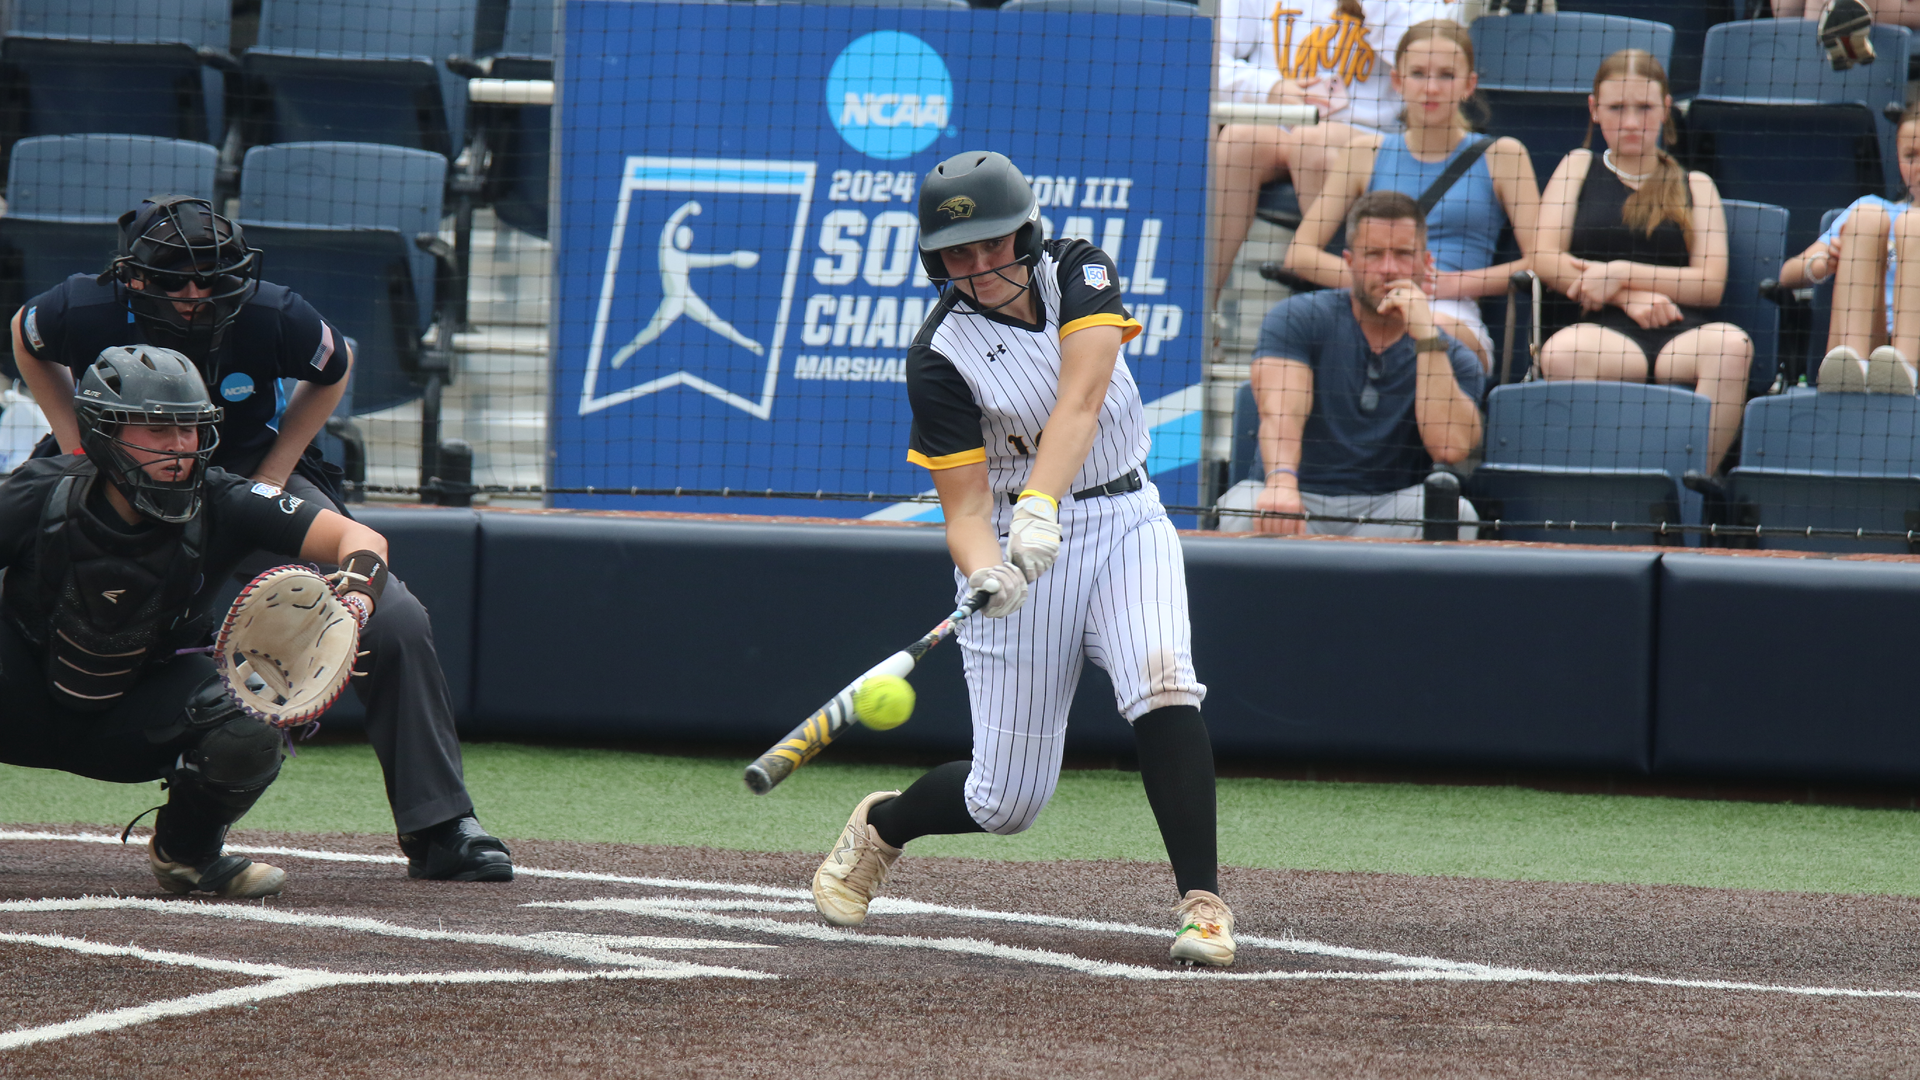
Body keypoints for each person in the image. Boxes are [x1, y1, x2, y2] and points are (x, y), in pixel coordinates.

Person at [7, 196, 512, 882]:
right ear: (131, 278)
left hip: (239, 475)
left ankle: (441, 823)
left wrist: (272, 475)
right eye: (174, 281)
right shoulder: (81, 307)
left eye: (211, 280)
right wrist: (77, 449)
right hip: (107, 470)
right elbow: (26, 336)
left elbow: (334, 370)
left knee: (394, 618)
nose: (194, 296)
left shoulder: (275, 313)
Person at [810, 151, 1234, 967]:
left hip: (1124, 516)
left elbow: (1082, 395)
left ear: (1026, 233)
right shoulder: (938, 355)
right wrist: (985, 571)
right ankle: (884, 826)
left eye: (994, 245)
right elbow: (966, 507)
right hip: (1015, 545)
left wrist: (1042, 502)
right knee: (1004, 800)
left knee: (1162, 679)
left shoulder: (1080, 269)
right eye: (957, 256)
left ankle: (1202, 905)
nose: (980, 267)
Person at [0, 346, 394, 897]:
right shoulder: (39, 490)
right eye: (160, 430)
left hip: (134, 715)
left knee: (247, 717)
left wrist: (355, 598)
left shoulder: (224, 497)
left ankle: (186, 854)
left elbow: (361, 540)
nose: (181, 447)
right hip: (20, 695)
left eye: (191, 429)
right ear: (103, 430)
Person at [1532, 50, 1752, 473]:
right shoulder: (1577, 166)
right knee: (1559, 354)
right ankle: (1593, 485)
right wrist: (1627, 298)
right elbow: (1544, 258)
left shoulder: (1696, 185)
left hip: (1679, 332)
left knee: (1733, 346)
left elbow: (1709, 283)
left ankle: (1692, 489)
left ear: (1666, 109)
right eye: (1616, 108)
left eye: (1645, 108)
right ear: (1594, 110)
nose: (1631, 122)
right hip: (1599, 331)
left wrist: (1619, 273)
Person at [1219, 190, 1484, 537]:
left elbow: (1449, 446)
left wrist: (1426, 338)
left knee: (1458, 514)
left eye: (1403, 254)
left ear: (1427, 264)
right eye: (1373, 254)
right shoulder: (1300, 317)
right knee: (1241, 508)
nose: (1388, 268)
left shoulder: (1452, 355)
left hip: (1387, 509)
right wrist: (1282, 483)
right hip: (1297, 497)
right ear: (1349, 260)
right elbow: (1280, 413)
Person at [1282, 18, 1540, 370]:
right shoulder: (1363, 152)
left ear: (1469, 85)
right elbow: (1300, 254)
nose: (1431, 87)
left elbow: (1542, 261)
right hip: (1369, 304)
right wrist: (1382, 283)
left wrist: (1452, 284)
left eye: (1446, 75)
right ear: (1398, 82)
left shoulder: (1504, 155)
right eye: (1418, 74)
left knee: (1434, 333)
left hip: (1449, 309)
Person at [1211, 0, 1476, 303]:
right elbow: (1202, 56)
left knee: (1311, 143)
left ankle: (1344, 308)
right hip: (1281, 121)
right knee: (1238, 140)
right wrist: (1269, 88)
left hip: (1375, 139)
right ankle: (1198, 314)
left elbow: (1427, 55)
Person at [1775, 103, 1920, 394]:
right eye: (1911, 155)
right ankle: (1851, 367)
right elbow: (1787, 274)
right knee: (1867, 216)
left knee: (1913, 226)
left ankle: (1906, 370)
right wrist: (1818, 265)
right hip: (1871, 342)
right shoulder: (1874, 210)